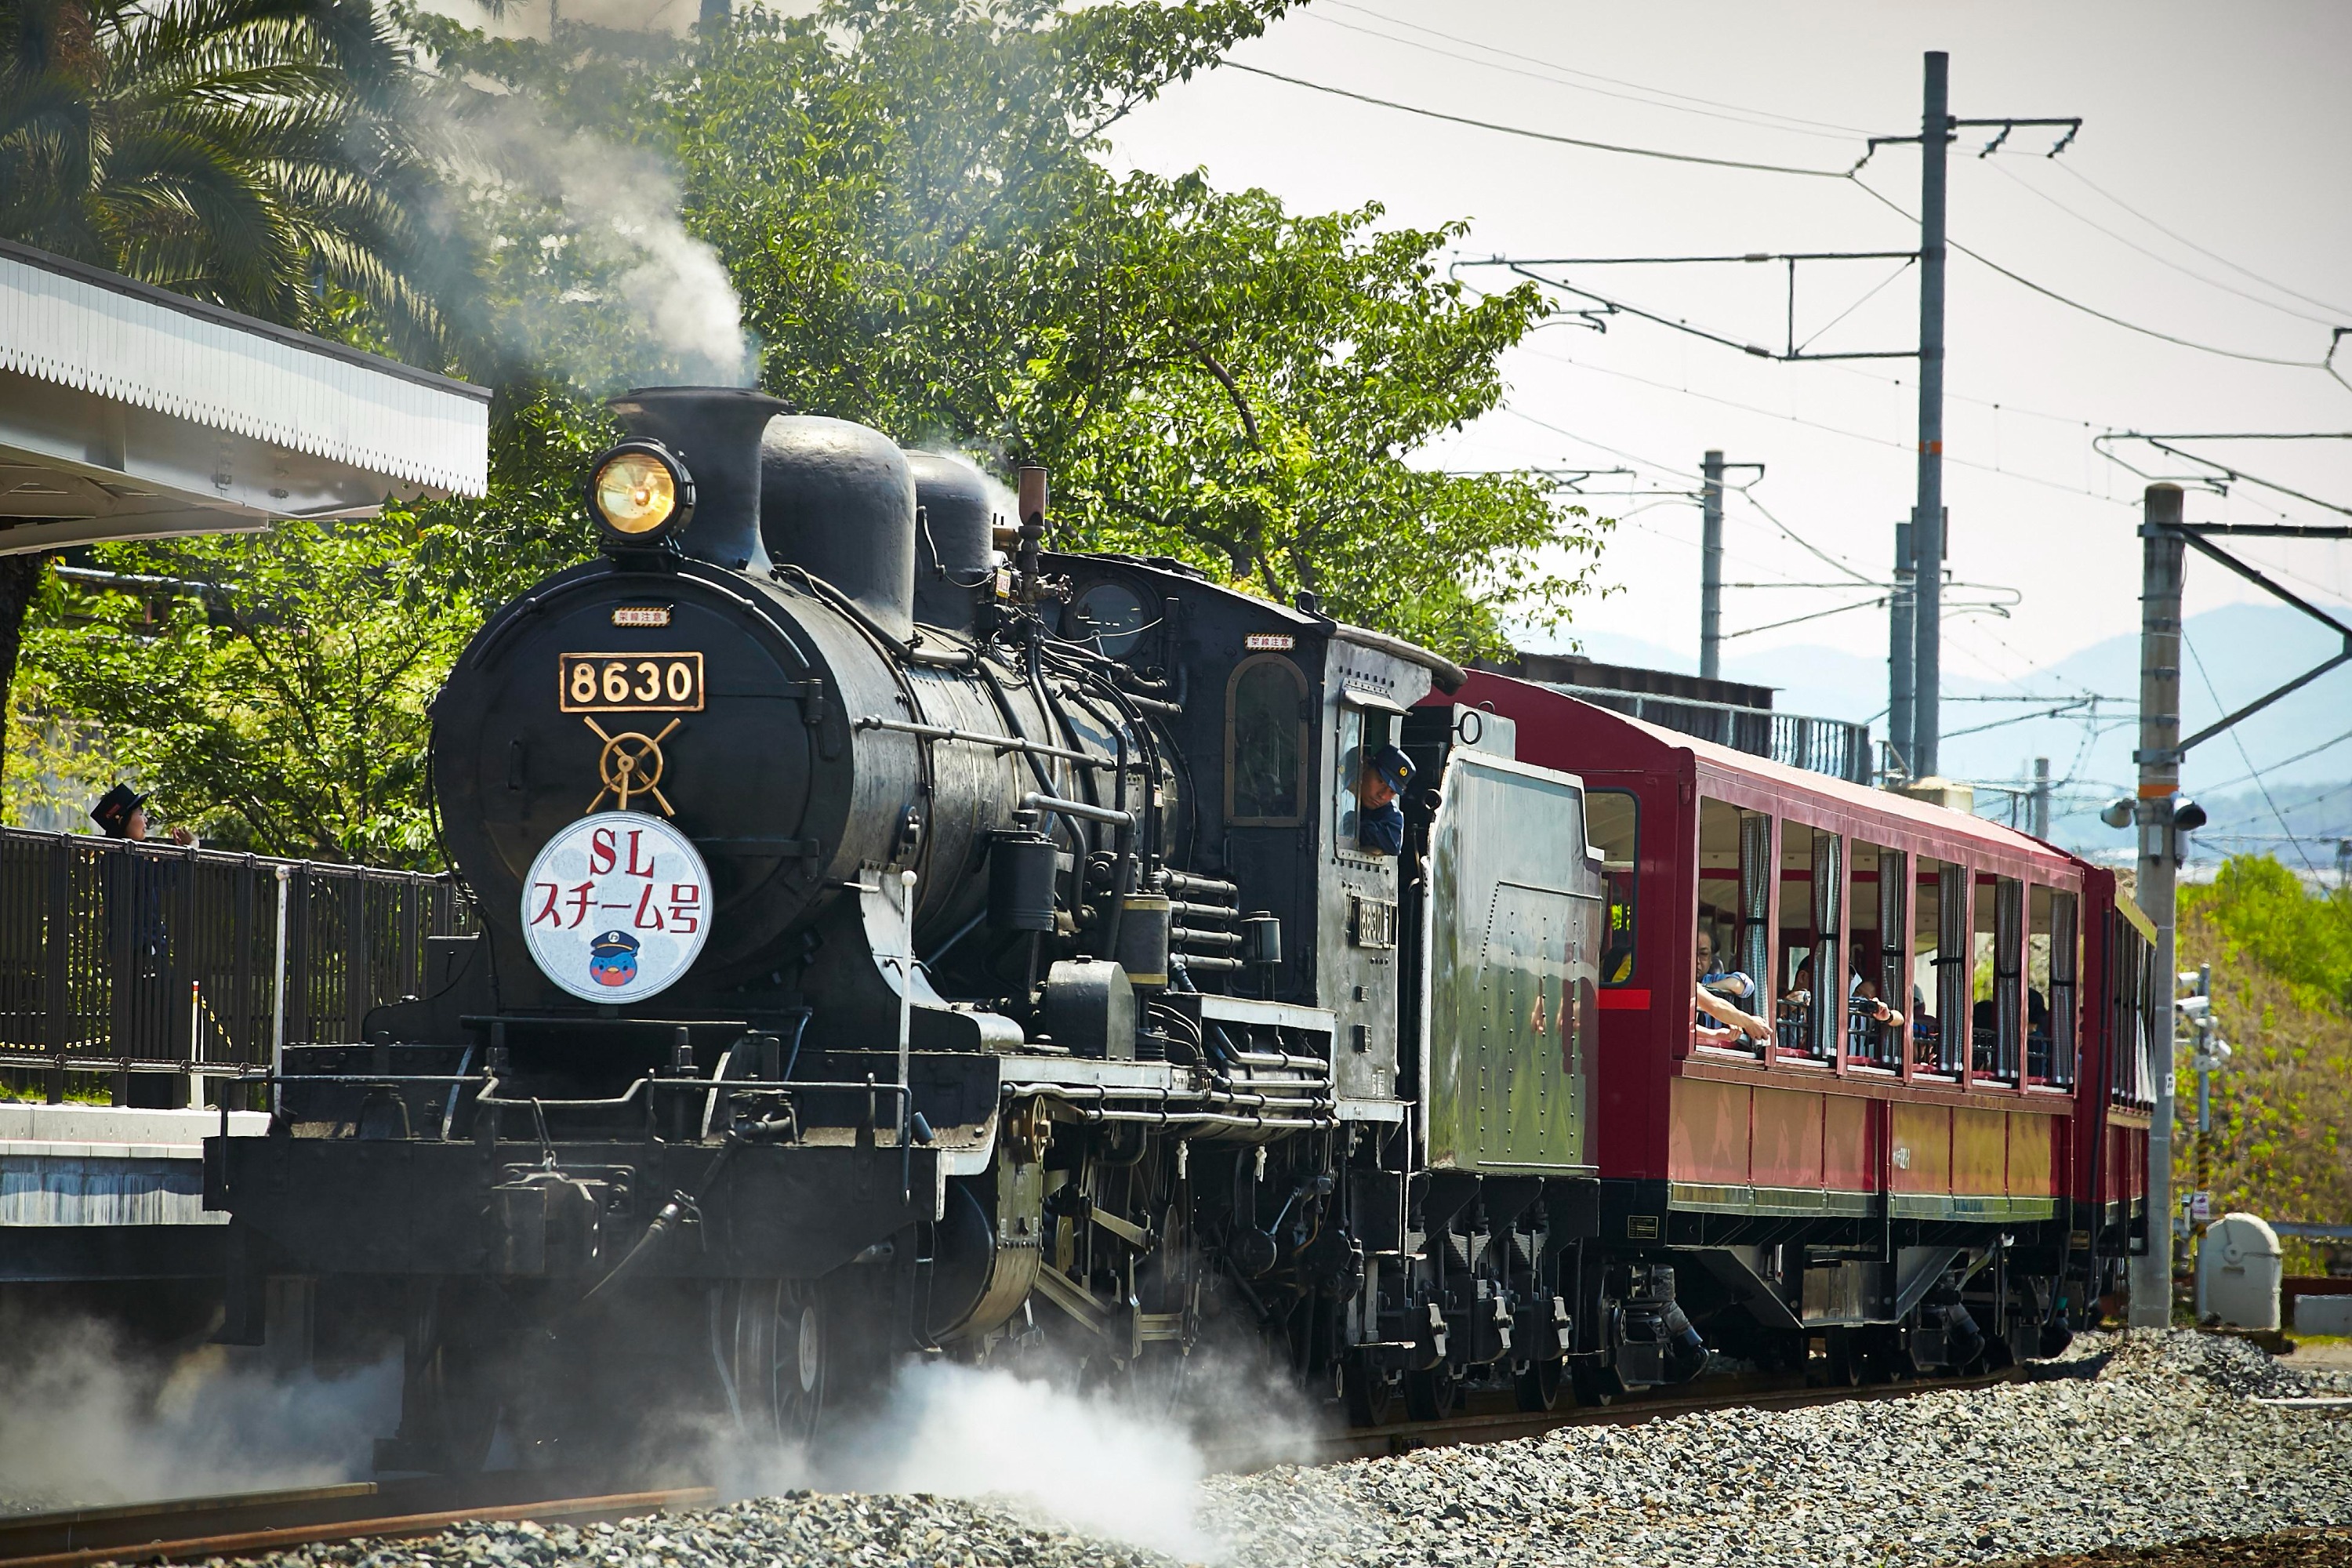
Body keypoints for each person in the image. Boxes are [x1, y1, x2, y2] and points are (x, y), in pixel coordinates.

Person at [1693, 923, 1770, 1047]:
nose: (1697, 961)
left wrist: (1706, 989)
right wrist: (1748, 1022)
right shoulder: (1677, 981)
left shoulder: (1710, 980)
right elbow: (1715, 1006)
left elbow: (1744, 985)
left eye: (1703, 954)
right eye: (1691, 952)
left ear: (1711, 958)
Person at [91, 783, 194, 845]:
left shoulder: (116, 855)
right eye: (140, 814)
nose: (145, 820)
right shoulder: (127, 857)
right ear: (122, 821)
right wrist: (193, 847)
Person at [1356, 743, 1412, 856]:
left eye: (1392, 792)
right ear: (1366, 766)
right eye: (1380, 782)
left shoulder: (1390, 812)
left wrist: (1357, 827)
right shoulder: (1340, 792)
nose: (1382, 795)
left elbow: (1393, 843)